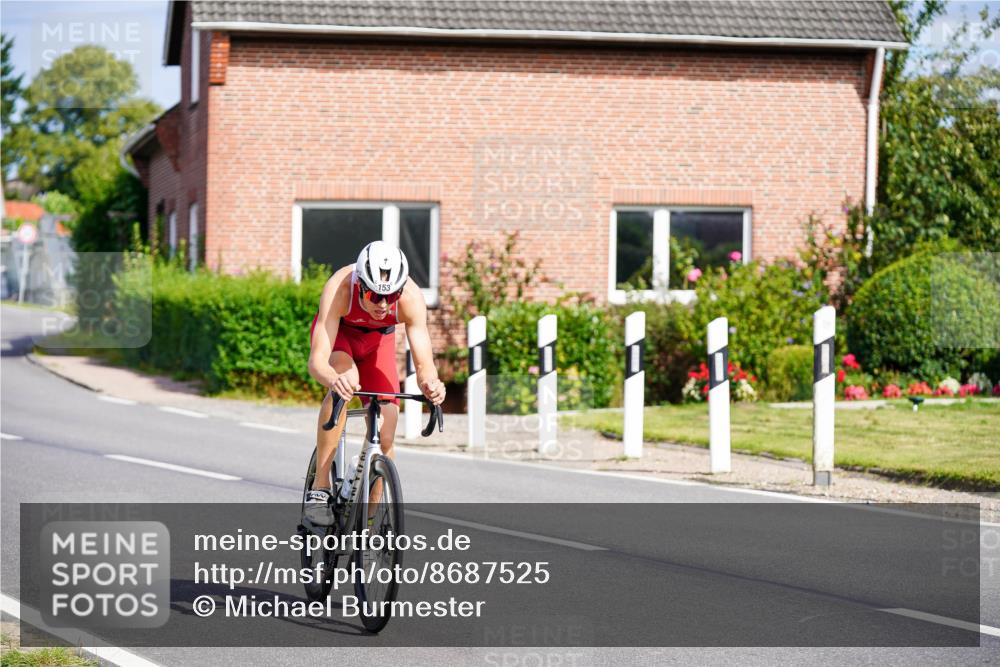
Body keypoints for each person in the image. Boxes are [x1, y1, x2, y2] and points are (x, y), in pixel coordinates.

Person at [305, 241, 445, 523]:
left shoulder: (411, 298)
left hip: (377, 344)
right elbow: (317, 361)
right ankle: (320, 486)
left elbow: (424, 364)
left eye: (391, 296)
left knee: (387, 428)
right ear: (360, 285)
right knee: (348, 380)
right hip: (341, 339)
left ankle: (365, 525)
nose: (383, 305)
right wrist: (334, 379)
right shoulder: (340, 289)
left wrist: (432, 384)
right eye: (374, 295)